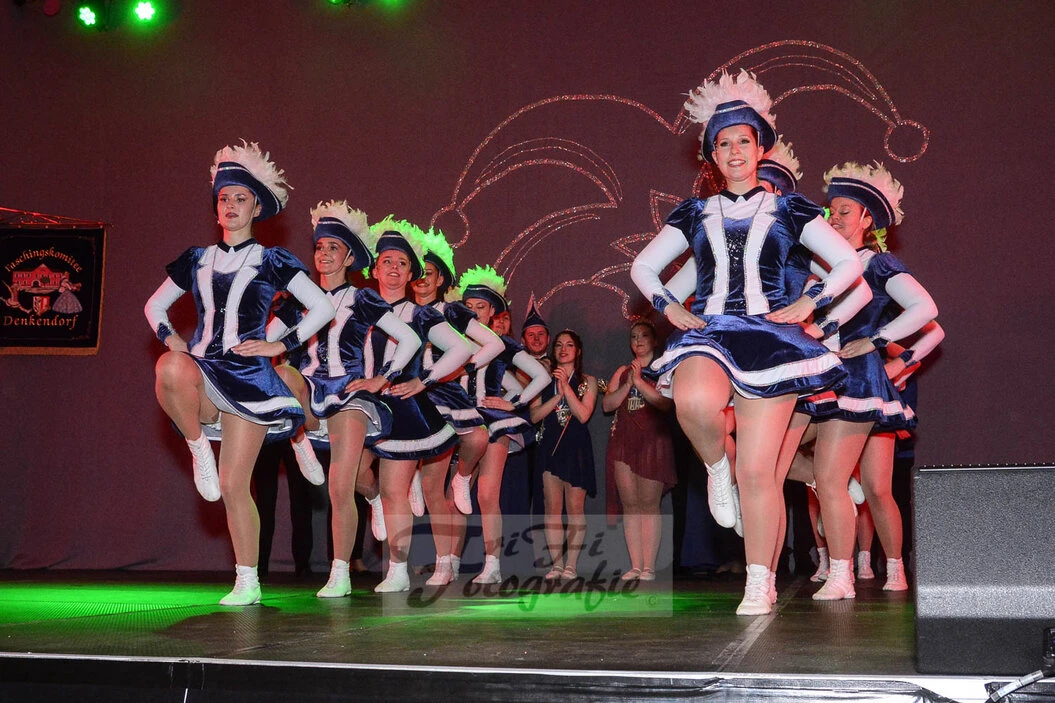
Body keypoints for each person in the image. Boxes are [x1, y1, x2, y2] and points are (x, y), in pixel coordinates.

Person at [630, 71, 863, 615]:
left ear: (761, 149)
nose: (734, 151)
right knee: (692, 401)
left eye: (743, 141)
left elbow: (848, 263)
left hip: (771, 340)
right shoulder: (694, 212)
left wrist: (811, 302)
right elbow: (644, 267)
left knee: (759, 472)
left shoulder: (791, 208)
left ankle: (760, 580)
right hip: (711, 332)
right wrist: (669, 307)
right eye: (723, 143)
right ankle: (716, 465)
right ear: (711, 156)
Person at [145, 141, 335, 605]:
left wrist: (280, 344)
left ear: (256, 207)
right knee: (169, 366)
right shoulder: (197, 258)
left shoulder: (272, 260)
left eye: (240, 198)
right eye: (224, 198)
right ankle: (198, 447)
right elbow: (154, 306)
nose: (230, 206)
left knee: (234, 485)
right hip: (204, 371)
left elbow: (322, 306)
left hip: (248, 379)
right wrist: (170, 336)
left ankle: (247, 579)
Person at [796, 162, 943, 598]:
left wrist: (881, 346)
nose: (835, 218)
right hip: (820, 378)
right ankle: (841, 533)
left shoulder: (878, 265)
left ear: (867, 219)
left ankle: (888, 569)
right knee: (784, 456)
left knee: (877, 488)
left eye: (846, 211)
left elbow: (927, 313)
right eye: (831, 211)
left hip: (859, 382)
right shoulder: (819, 269)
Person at [267, 201, 422, 598]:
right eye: (320, 247)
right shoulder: (299, 299)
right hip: (309, 390)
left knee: (342, 485)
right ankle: (298, 438)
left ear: (350, 257)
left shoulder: (361, 299)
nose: (324, 254)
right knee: (283, 374)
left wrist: (381, 378)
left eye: (333, 248)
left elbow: (409, 339)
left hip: (349, 396)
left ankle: (340, 571)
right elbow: (267, 340)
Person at [365, 217, 473, 592]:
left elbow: (461, 348)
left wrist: (423, 380)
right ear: (374, 269)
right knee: (360, 479)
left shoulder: (419, 314)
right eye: (387, 261)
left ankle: (405, 569)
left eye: (402, 263)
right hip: (364, 407)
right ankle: (374, 501)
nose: (394, 268)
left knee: (411, 490)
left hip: (405, 410)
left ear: (411, 274)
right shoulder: (358, 308)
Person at [410, 225, 504, 585]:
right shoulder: (401, 310)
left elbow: (494, 344)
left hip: (447, 398)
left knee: (471, 454)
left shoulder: (450, 311)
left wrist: (463, 367)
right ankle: (441, 563)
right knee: (430, 487)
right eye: (417, 272)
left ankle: (461, 478)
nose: (422, 279)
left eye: (429, 273)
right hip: (412, 395)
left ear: (440, 279)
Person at [451, 265, 550, 583]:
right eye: (468, 306)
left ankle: (492, 565)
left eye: (480, 307)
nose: (474, 312)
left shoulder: (502, 345)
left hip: (493, 423)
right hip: (459, 421)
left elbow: (541, 376)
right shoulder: (452, 339)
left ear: (493, 311)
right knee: (455, 494)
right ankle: (449, 561)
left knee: (487, 494)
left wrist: (514, 403)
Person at [603, 320, 676, 581]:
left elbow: (664, 403)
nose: (638, 341)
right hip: (624, 440)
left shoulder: (663, 368)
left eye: (644, 336)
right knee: (630, 504)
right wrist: (628, 383)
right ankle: (635, 565)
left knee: (649, 503)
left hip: (652, 441)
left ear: (654, 340)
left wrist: (640, 382)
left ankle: (649, 567)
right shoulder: (623, 371)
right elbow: (607, 405)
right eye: (634, 337)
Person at [531, 330, 598, 579]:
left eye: (569, 345)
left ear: (578, 351)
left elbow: (583, 414)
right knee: (552, 507)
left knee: (575, 507)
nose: (563, 349)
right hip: (550, 446)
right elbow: (534, 416)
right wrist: (556, 395)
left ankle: (571, 565)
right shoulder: (542, 380)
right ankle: (556, 564)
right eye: (559, 345)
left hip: (576, 447)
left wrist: (566, 389)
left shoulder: (588, 381)